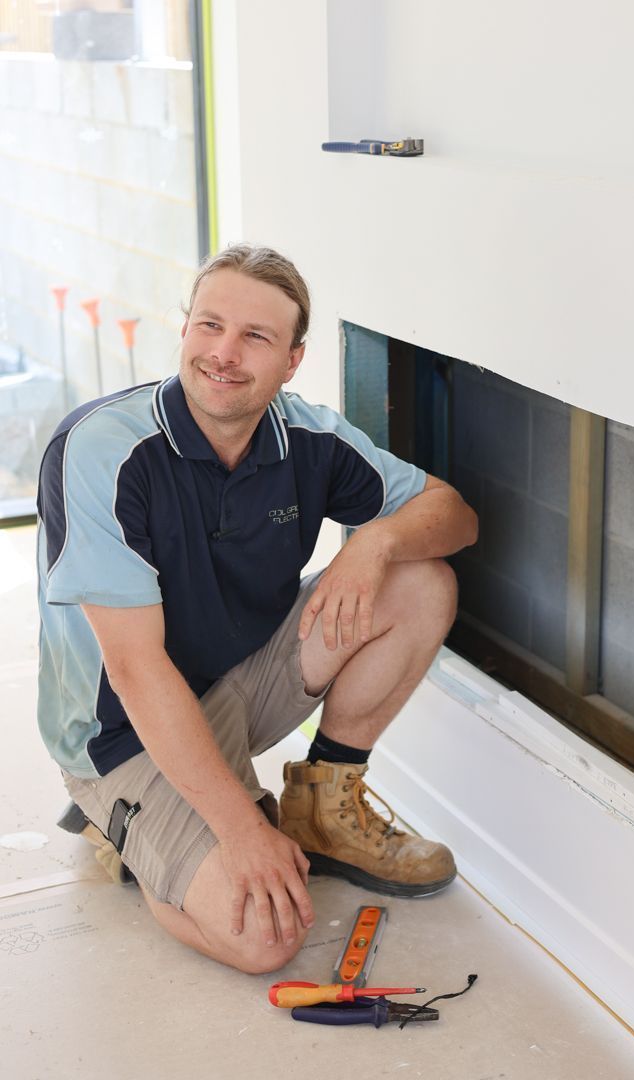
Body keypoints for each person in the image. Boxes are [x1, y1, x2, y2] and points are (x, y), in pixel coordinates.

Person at [36, 243, 478, 974]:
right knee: (264, 937)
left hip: (240, 683)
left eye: (256, 337)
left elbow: (455, 516)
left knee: (421, 581)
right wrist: (242, 832)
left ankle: (321, 806)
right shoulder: (102, 451)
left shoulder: (307, 436)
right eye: (210, 326)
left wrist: (375, 544)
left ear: (292, 361)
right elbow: (137, 670)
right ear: (185, 329)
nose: (224, 353)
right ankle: (127, 832)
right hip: (125, 733)